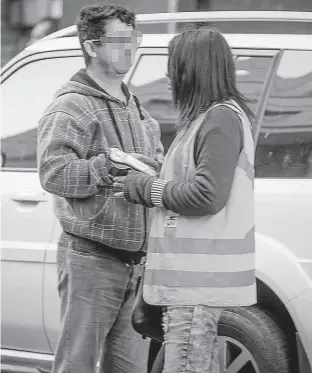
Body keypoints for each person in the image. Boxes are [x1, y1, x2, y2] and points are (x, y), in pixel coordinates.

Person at [113, 26, 256, 373]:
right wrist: (156, 172)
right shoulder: (208, 119)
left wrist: (148, 189)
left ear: (193, 70)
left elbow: (208, 195)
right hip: (191, 283)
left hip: (195, 286)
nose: (168, 76)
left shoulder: (219, 119)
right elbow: (197, 179)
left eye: (173, 65)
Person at [37, 4, 164, 373]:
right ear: (92, 47)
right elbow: (53, 174)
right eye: (120, 41)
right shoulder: (70, 106)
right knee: (76, 366)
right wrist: (106, 166)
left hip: (137, 265)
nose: (131, 49)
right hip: (91, 260)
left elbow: (155, 160)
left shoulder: (136, 106)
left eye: (134, 39)